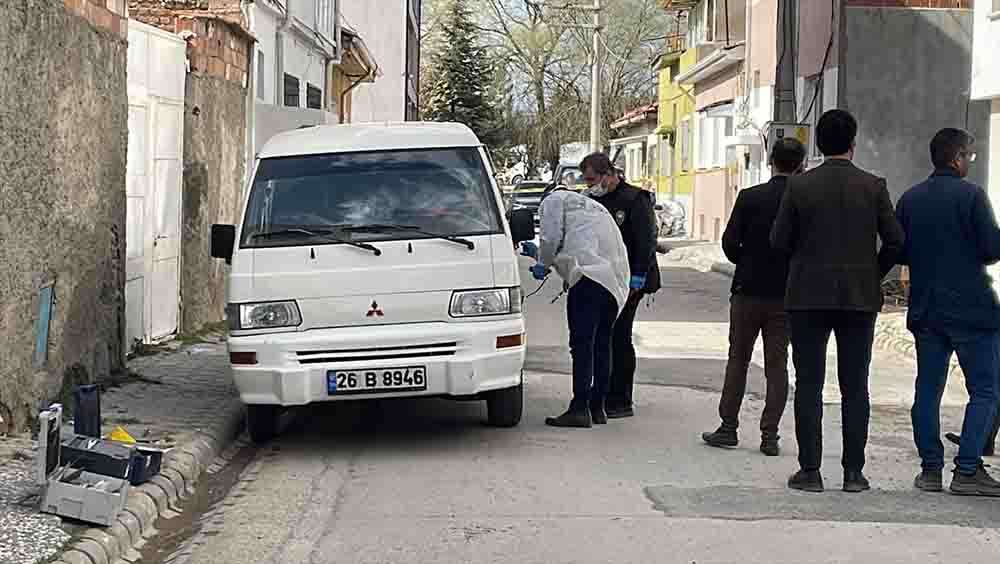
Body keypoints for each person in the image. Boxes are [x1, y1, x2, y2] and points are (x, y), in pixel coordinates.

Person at [770, 109, 905, 493]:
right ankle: (853, 473)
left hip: (808, 296)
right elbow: (896, 240)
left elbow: (779, 241)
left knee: (809, 383)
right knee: (855, 386)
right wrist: (872, 272)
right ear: (853, 143)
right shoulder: (873, 186)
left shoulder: (799, 187)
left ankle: (810, 471)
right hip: (859, 297)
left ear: (818, 144)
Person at [895, 128, 1000, 496]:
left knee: (927, 390)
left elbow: (900, 251)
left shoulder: (909, 199)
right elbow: (991, 249)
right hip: (972, 311)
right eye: (970, 155)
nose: (971, 161)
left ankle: (930, 470)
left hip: (927, 310)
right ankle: (968, 469)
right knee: (986, 388)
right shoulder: (972, 196)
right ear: (956, 158)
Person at [702, 138, 806, 456]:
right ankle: (769, 435)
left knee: (738, 361)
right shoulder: (804, 199)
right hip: (786, 295)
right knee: (777, 366)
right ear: (802, 164)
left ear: (771, 162)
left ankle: (728, 427)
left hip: (748, 291)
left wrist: (748, 261)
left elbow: (729, 243)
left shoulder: (750, 197)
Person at [520, 188, 630, 428]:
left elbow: (551, 238)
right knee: (602, 345)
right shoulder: (592, 208)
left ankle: (579, 409)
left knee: (582, 347)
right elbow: (577, 245)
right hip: (615, 284)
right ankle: (597, 407)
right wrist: (541, 255)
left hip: (589, 281)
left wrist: (542, 263)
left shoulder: (553, 200)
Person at [580, 152, 661, 419]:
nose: (590, 184)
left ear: (609, 174)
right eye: (586, 180)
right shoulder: (593, 200)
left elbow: (646, 241)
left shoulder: (635, 199)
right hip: (603, 277)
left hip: (630, 281)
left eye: (593, 179)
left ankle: (620, 399)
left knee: (619, 336)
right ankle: (601, 393)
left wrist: (638, 275)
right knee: (601, 336)